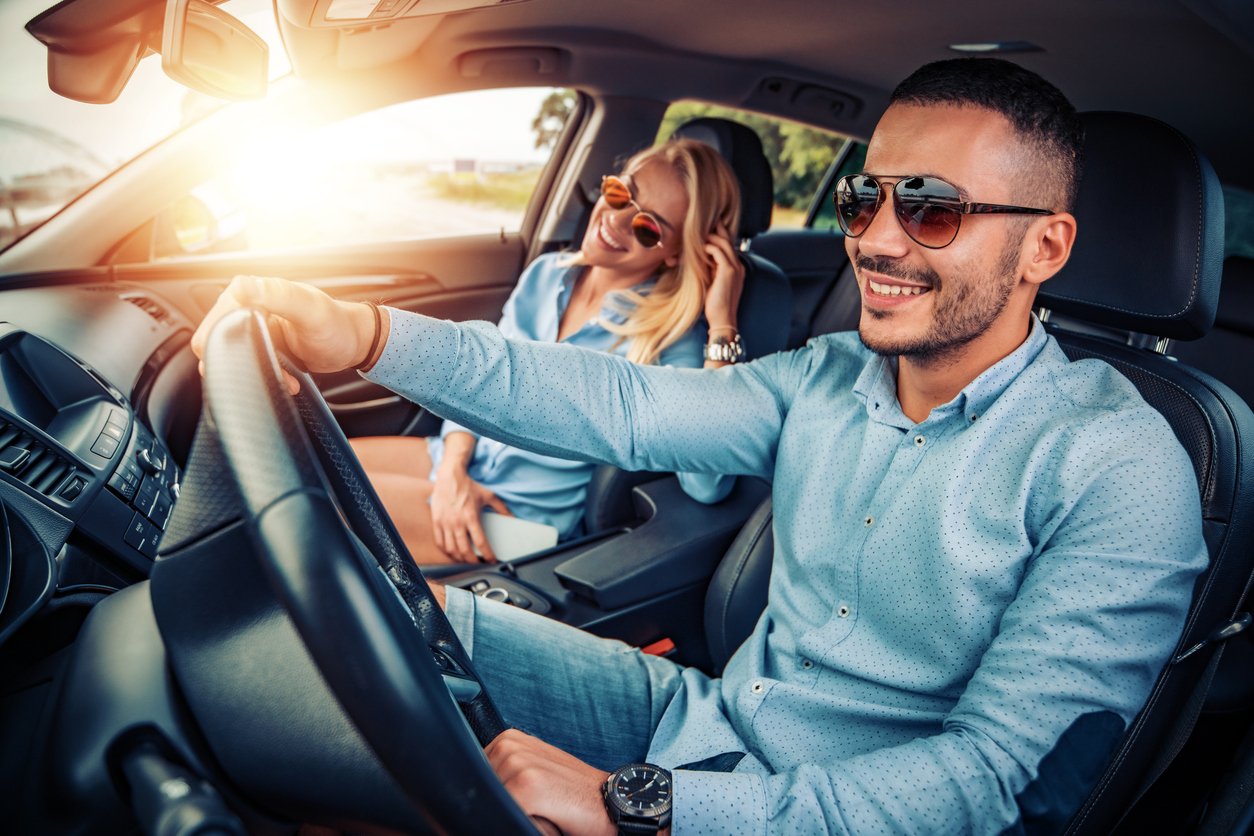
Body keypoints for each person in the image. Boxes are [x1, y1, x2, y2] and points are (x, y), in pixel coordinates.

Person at [192, 58, 1207, 834]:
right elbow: (621, 402)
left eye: (933, 208)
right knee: (386, 614)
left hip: (824, 811)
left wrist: (638, 803)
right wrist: (364, 334)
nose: (877, 240)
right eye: (866, 199)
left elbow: (990, 783)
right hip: (703, 717)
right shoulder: (827, 374)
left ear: (1045, 247)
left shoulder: (1118, 466)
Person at [351, 138, 745, 564]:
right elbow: (476, 378)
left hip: (516, 517)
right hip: (462, 461)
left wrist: (722, 325)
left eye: (648, 227)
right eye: (620, 193)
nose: (615, 219)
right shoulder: (546, 274)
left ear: (676, 253)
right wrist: (452, 469)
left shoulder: (670, 338)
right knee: (315, 458)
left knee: (323, 504)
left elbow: (707, 485)